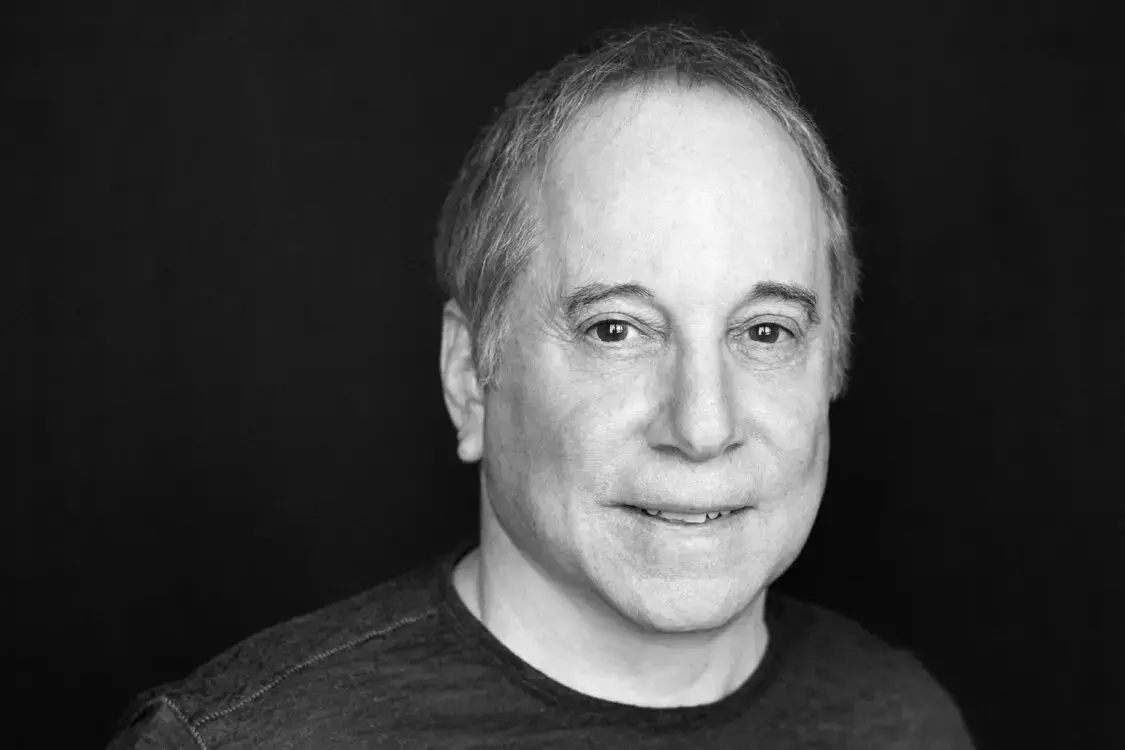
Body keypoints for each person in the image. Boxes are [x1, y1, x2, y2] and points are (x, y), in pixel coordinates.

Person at [108, 21, 974, 749]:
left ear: (831, 367)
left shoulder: (903, 723)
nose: (702, 425)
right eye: (615, 330)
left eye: (764, 332)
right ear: (468, 377)